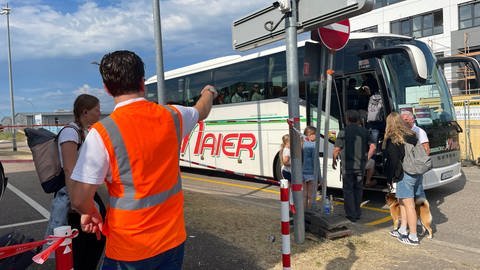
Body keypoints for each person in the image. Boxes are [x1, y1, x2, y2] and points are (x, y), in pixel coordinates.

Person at [69, 50, 216, 269]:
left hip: (129, 248)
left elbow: (79, 199)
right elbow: (201, 110)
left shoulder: (102, 133)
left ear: (107, 89)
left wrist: (90, 212)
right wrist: (209, 92)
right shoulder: (173, 116)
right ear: (142, 82)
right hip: (172, 240)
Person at [44, 93, 105, 269]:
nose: (99, 113)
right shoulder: (71, 132)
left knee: (91, 240)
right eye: (96, 110)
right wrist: (77, 204)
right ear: (85, 112)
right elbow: (69, 169)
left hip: (81, 191)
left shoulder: (82, 131)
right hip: (72, 194)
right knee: (80, 246)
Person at [383, 112, 421, 245]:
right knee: (402, 202)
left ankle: (413, 236)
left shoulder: (392, 139)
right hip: (416, 172)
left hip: (404, 174)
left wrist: (389, 178)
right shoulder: (412, 135)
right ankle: (402, 230)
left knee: (409, 205)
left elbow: (393, 161)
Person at [332, 110, 376, 222]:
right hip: (360, 166)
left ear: (347, 119)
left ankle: (351, 215)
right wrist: (366, 158)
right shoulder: (364, 131)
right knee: (358, 189)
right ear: (358, 119)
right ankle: (357, 212)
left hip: (347, 166)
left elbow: (337, 149)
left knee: (348, 190)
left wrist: (334, 160)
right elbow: (373, 147)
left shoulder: (343, 132)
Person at [401, 110, 429, 200]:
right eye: (402, 120)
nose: (404, 122)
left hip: (416, 167)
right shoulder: (403, 132)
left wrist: (419, 164)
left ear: (412, 120)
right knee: (413, 193)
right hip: (408, 167)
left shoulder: (419, 132)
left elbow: (427, 150)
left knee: (418, 192)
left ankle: (423, 212)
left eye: (406, 120)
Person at [302, 126, 317, 209]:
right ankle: (310, 212)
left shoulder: (302, 144)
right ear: (310, 135)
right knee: (310, 196)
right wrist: (319, 176)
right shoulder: (313, 145)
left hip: (303, 173)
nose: (316, 136)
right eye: (315, 134)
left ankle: (303, 212)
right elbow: (315, 162)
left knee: (304, 195)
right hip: (311, 173)